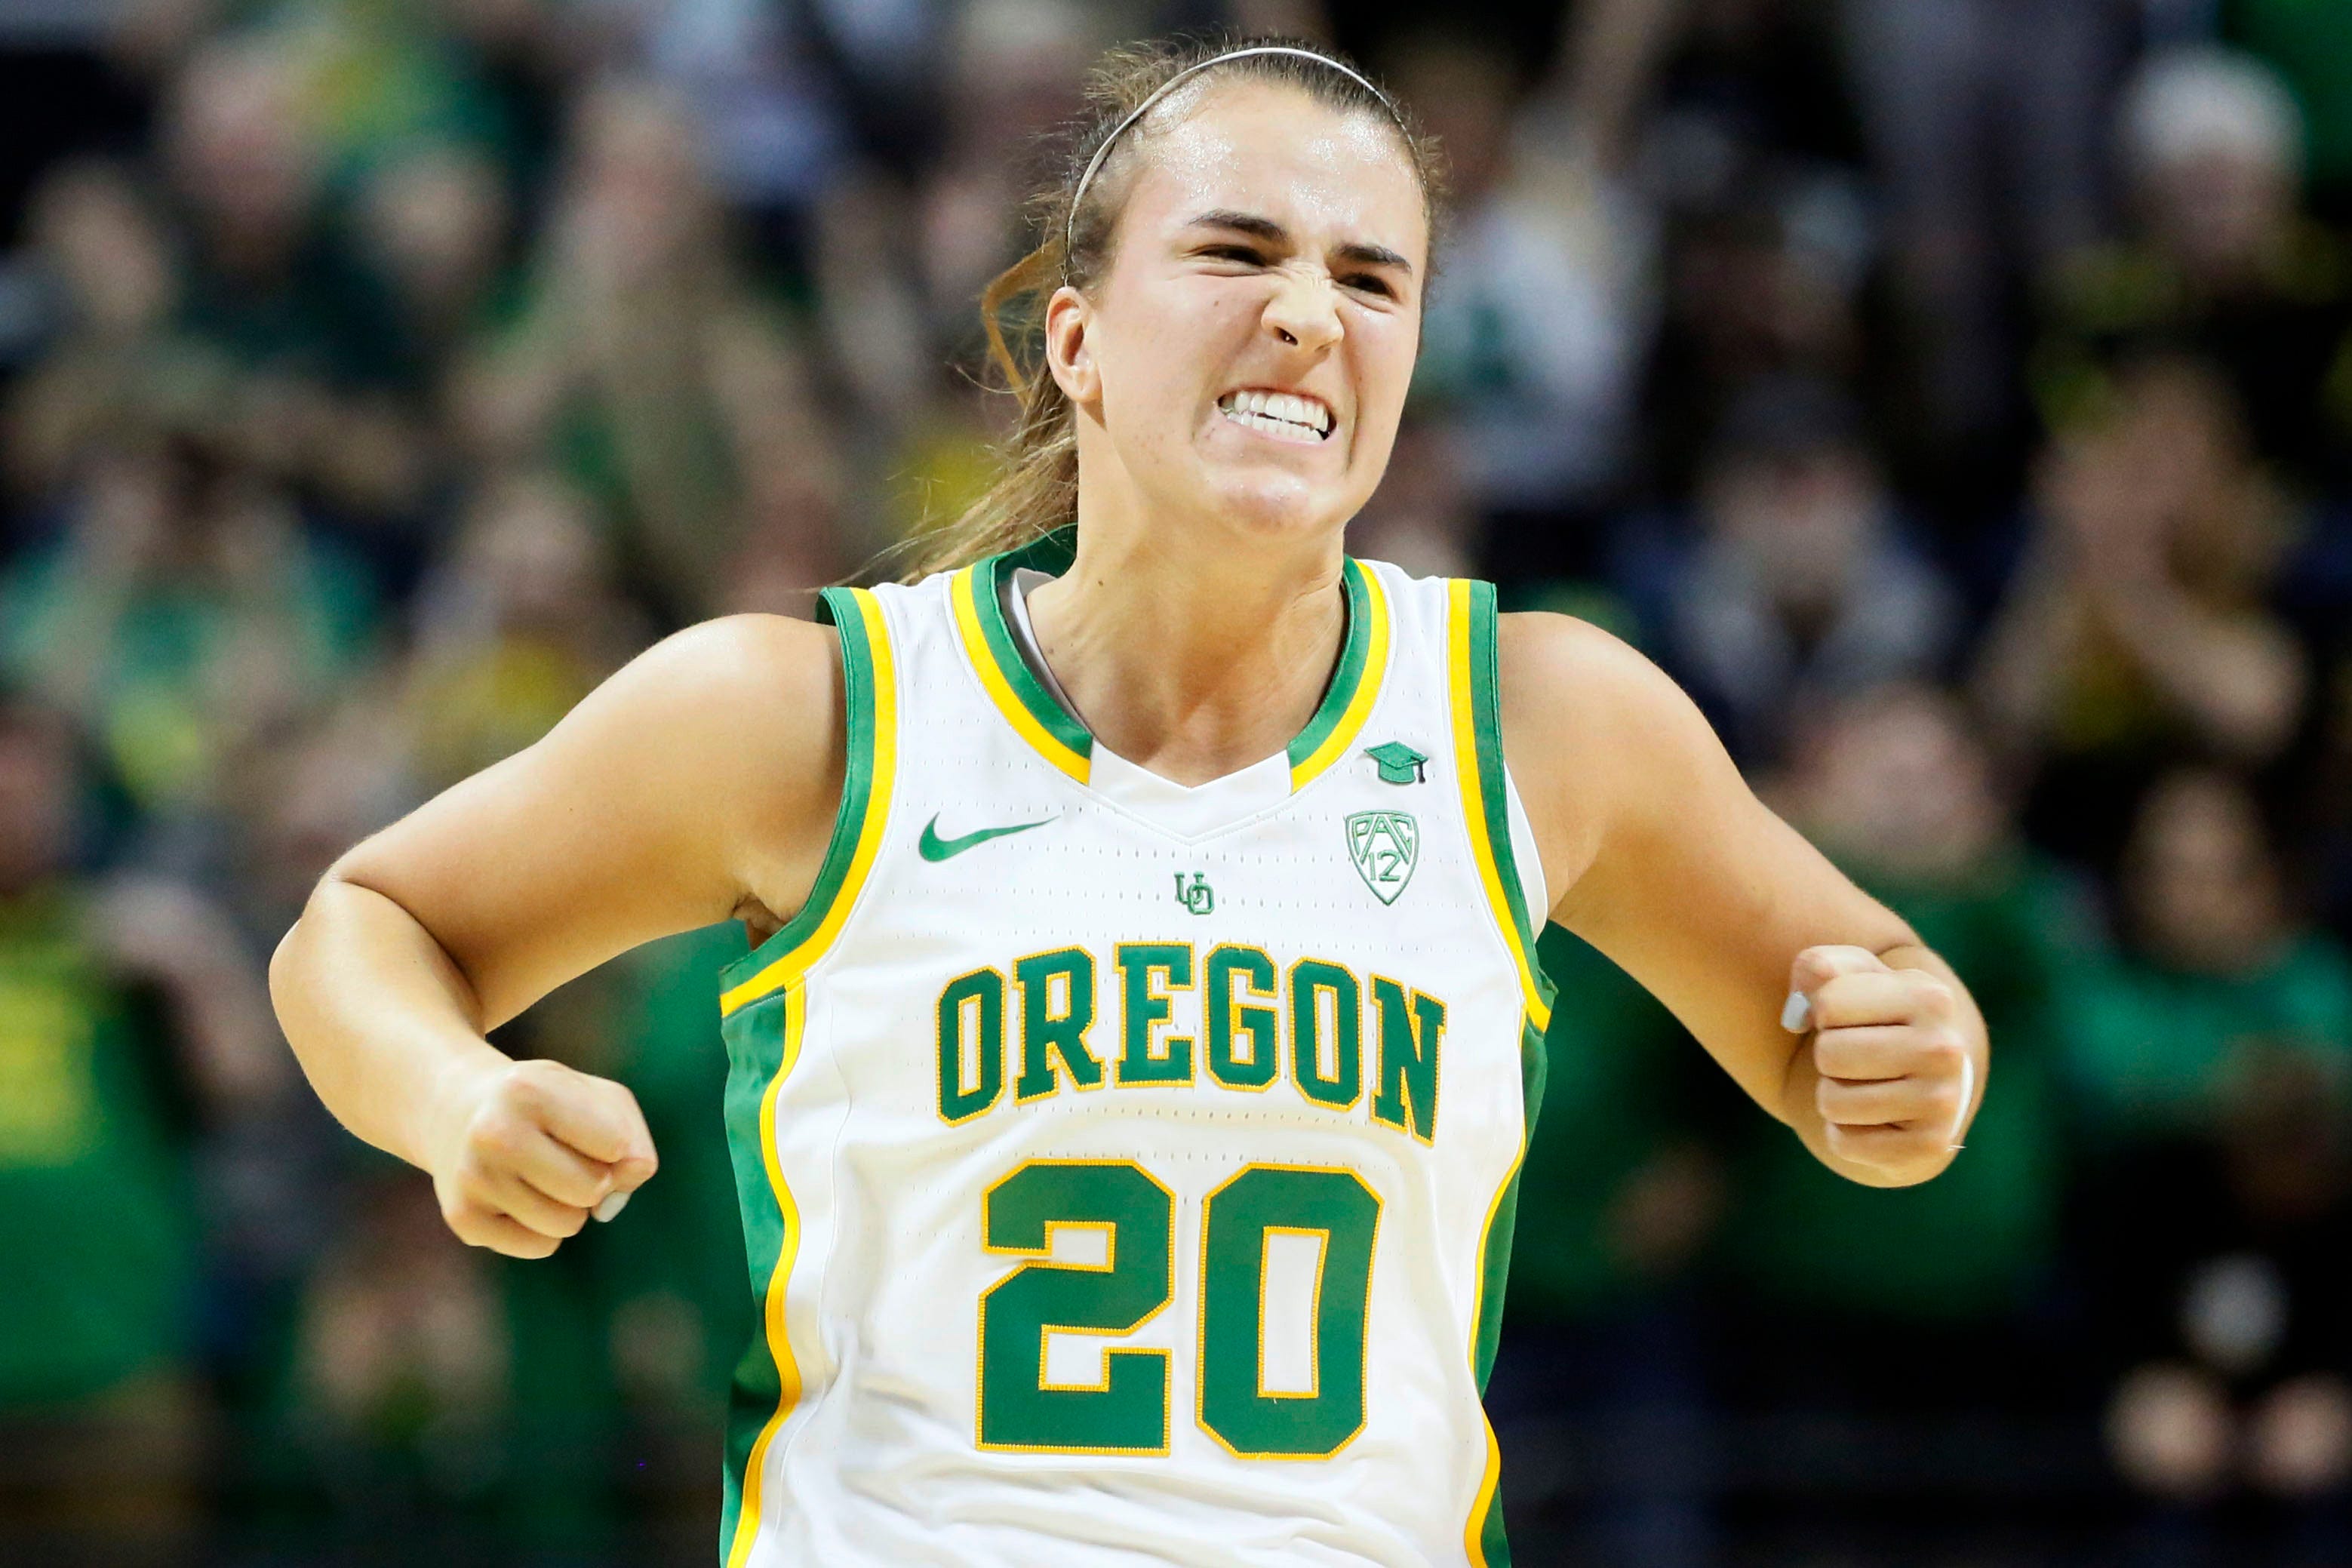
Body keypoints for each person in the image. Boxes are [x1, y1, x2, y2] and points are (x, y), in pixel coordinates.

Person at [270, 37, 1989, 1566]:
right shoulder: (810, 713)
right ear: (1076, 340)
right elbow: (362, 929)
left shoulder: (1540, 718)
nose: (1307, 310)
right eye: (1236, 250)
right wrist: (450, 1105)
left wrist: (1913, 1065)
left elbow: (1864, 1010)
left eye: (1370, 279)